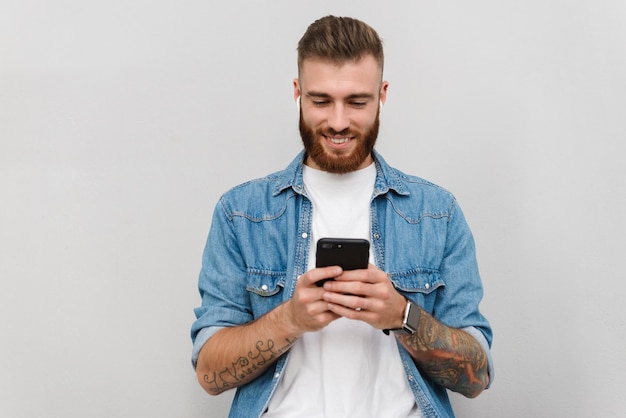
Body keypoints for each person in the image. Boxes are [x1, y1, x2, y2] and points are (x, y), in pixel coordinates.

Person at [191, 15, 494, 418]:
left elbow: (476, 378)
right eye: (320, 101)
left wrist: (401, 316)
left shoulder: (436, 212)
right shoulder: (241, 213)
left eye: (356, 102)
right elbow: (210, 375)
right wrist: (290, 319)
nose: (337, 122)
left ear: (382, 94)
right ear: (297, 93)